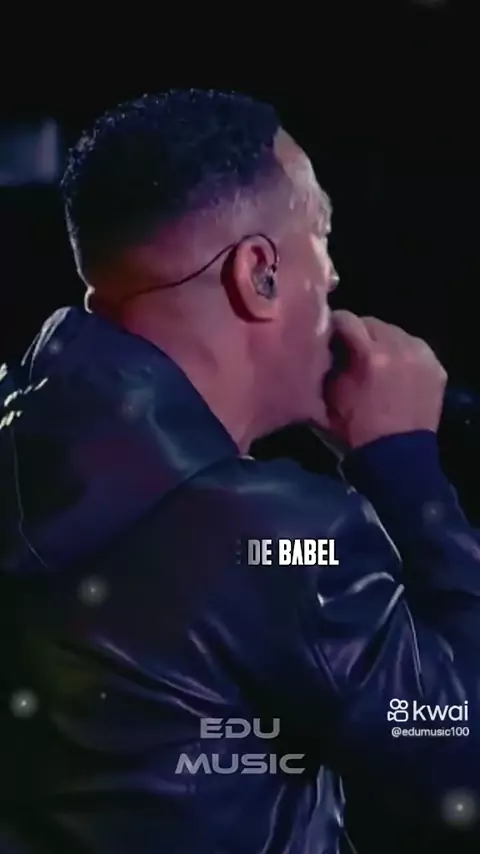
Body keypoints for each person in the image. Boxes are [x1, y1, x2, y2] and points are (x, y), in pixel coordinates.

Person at [0, 88, 479, 854]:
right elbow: (460, 751)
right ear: (258, 273)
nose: (334, 277)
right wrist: (407, 469)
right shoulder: (275, 537)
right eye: (320, 235)